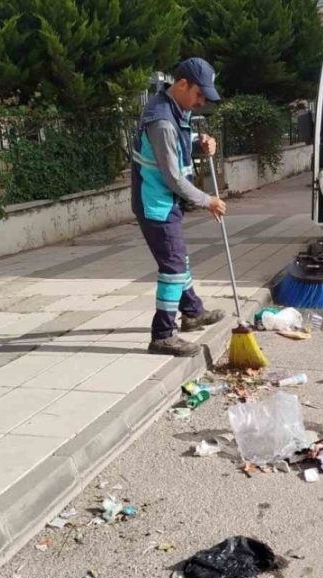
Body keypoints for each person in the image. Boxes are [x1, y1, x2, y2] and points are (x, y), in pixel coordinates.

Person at [131, 57, 228, 356]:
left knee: (178, 260)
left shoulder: (175, 108)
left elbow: (178, 142)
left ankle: (193, 311)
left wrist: (201, 142)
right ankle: (162, 334)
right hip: (156, 203)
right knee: (172, 267)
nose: (201, 102)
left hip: (165, 201)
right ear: (182, 83)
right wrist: (207, 200)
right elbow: (172, 176)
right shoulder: (161, 119)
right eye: (199, 94)